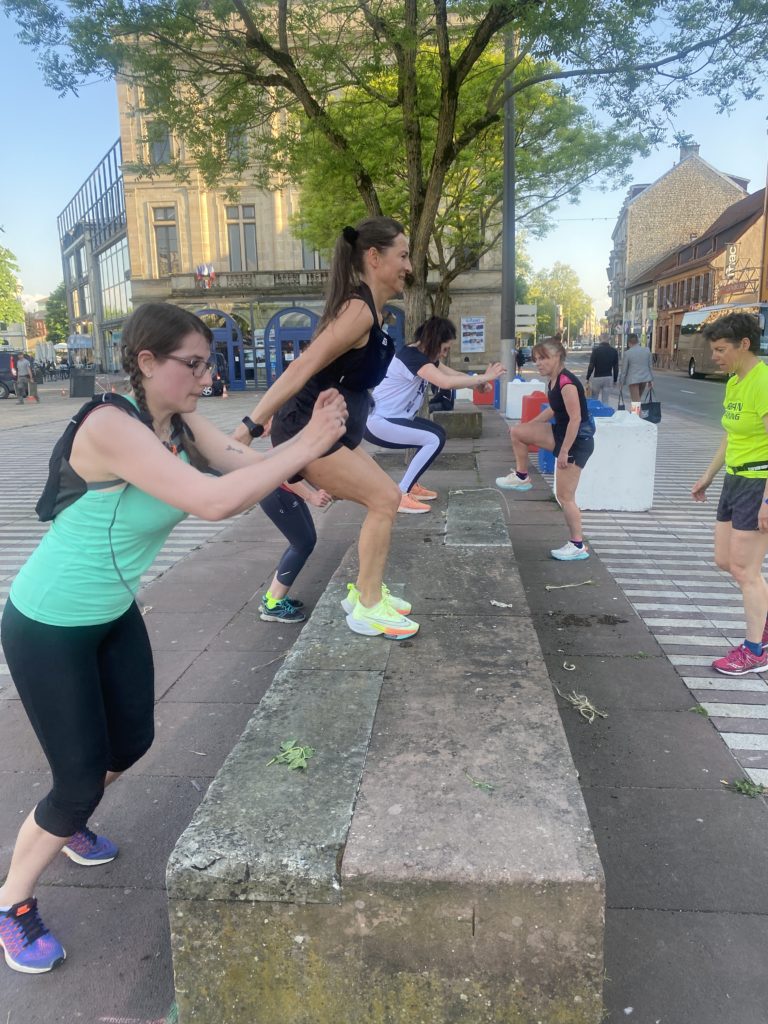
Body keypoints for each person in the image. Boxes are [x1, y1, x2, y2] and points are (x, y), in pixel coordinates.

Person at [0, 302, 347, 974]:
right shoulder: (110, 425)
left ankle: (68, 820)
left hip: (110, 612)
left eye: (208, 362)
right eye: (192, 364)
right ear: (147, 361)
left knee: (131, 742)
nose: (205, 377)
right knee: (75, 782)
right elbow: (213, 499)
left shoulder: (176, 420)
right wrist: (305, 445)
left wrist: (300, 482)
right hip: (48, 623)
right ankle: (13, 900)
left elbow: (236, 459)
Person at [232, 216, 420, 640]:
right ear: (374, 258)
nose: (409, 265)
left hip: (331, 428)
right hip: (307, 428)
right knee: (384, 500)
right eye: (403, 255)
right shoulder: (358, 311)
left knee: (387, 499)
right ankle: (368, 606)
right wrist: (251, 423)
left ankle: (365, 593)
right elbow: (302, 366)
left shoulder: (371, 311)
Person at [691, 312, 768, 676]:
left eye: (721, 349)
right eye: (714, 350)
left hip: (758, 483)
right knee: (725, 560)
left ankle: (755, 650)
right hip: (734, 481)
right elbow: (731, 435)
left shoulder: (763, 381)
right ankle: (763, 618)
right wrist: (708, 475)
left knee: (745, 569)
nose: (715, 357)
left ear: (744, 345)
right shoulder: (735, 383)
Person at [364, 316, 506, 513]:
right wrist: (486, 376)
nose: (445, 354)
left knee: (437, 432)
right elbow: (445, 383)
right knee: (434, 439)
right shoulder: (411, 357)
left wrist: (478, 384)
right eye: (445, 348)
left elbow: (452, 374)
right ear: (433, 341)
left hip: (391, 420)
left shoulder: (424, 358)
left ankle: (410, 484)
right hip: (379, 423)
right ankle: (401, 494)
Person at [495, 337, 594, 561]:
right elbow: (552, 410)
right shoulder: (553, 380)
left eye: (543, 358)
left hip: (576, 441)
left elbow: (576, 419)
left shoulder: (567, 383)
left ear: (558, 357)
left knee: (565, 497)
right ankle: (522, 476)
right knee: (518, 432)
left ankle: (577, 544)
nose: (538, 363)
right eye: (536, 359)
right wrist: (530, 426)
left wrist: (564, 451)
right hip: (561, 433)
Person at [258, 479, 332, 623]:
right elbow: (284, 471)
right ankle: (274, 606)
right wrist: (311, 496)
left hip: (285, 490)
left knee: (304, 542)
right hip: (278, 490)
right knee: (302, 544)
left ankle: (272, 597)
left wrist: (320, 488)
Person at [619, 333, 654, 407]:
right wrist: (651, 380)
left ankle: (636, 416)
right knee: (637, 399)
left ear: (629, 343)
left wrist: (621, 382)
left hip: (633, 380)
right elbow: (650, 366)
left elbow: (624, 370)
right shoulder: (647, 351)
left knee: (635, 401)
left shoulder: (627, 353)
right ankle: (635, 414)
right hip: (644, 379)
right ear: (638, 341)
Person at [586, 338, 618, 405]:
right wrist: (615, 379)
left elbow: (591, 365)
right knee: (605, 400)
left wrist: (588, 377)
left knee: (594, 398)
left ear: (601, 341)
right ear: (608, 341)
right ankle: (605, 413)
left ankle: (594, 412)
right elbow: (615, 367)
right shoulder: (614, 351)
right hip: (608, 377)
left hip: (597, 377)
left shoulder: (596, 350)